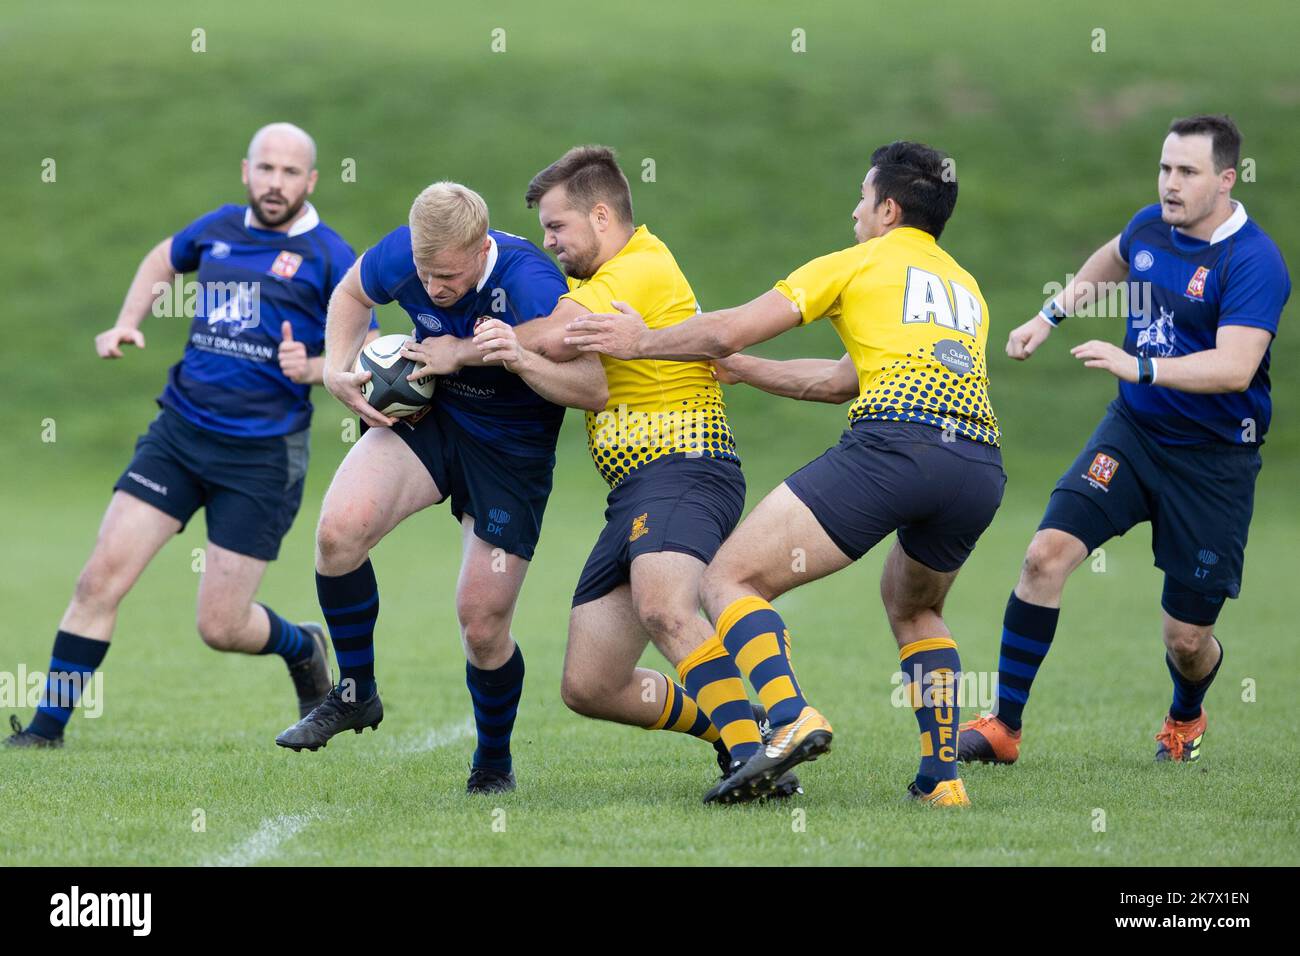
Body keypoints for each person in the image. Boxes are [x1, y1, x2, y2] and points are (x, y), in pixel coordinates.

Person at [565, 142, 1005, 805]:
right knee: (917, 608)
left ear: (887, 209)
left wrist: (642, 343)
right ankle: (942, 783)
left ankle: (790, 714)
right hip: (978, 465)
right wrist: (742, 373)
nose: (855, 212)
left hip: (897, 447)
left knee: (730, 577)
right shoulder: (965, 289)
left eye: (862, 199)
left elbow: (730, 329)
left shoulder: (855, 263)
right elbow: (836, 381)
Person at [6, 123, 371, 748]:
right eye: (265, 168)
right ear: (246, 170)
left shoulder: (332, 256)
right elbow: (162, 258)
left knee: (222, 626)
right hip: (177, 436)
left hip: (261, 457)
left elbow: (368, 350)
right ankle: (45, 731)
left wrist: (313, 368)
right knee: (99, 580)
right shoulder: (219, 228)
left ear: (311, 181)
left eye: (290, 172)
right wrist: (127, 321)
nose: (275, 182)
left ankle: (301, 644)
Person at [957, 114, 1289, 766]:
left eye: (1187, 172)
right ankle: (1004, 727)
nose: (1170, 183)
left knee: (1186, 639)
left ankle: (1185, 715)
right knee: (1042, 557)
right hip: (1134, 435)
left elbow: (1235, 366)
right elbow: (1114, 256)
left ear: (1226, 179)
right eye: (1165, 168)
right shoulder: (1150, 227)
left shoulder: (1253, 261)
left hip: (1214, 462)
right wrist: (1049, 315)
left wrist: (1140, 366)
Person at [274, 181, 607, 796]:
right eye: (425, 274)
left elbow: (593, 386)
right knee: (337, 533)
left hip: (511, 455)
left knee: (481, 624)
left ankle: (493, 765)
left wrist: (480, 353)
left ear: (483, 249)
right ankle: (355, 691)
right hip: (431, 422)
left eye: (448, 276)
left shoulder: (530, 281)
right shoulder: (408, 253)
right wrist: (336, 368)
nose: (433, 288)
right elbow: (352, 292)